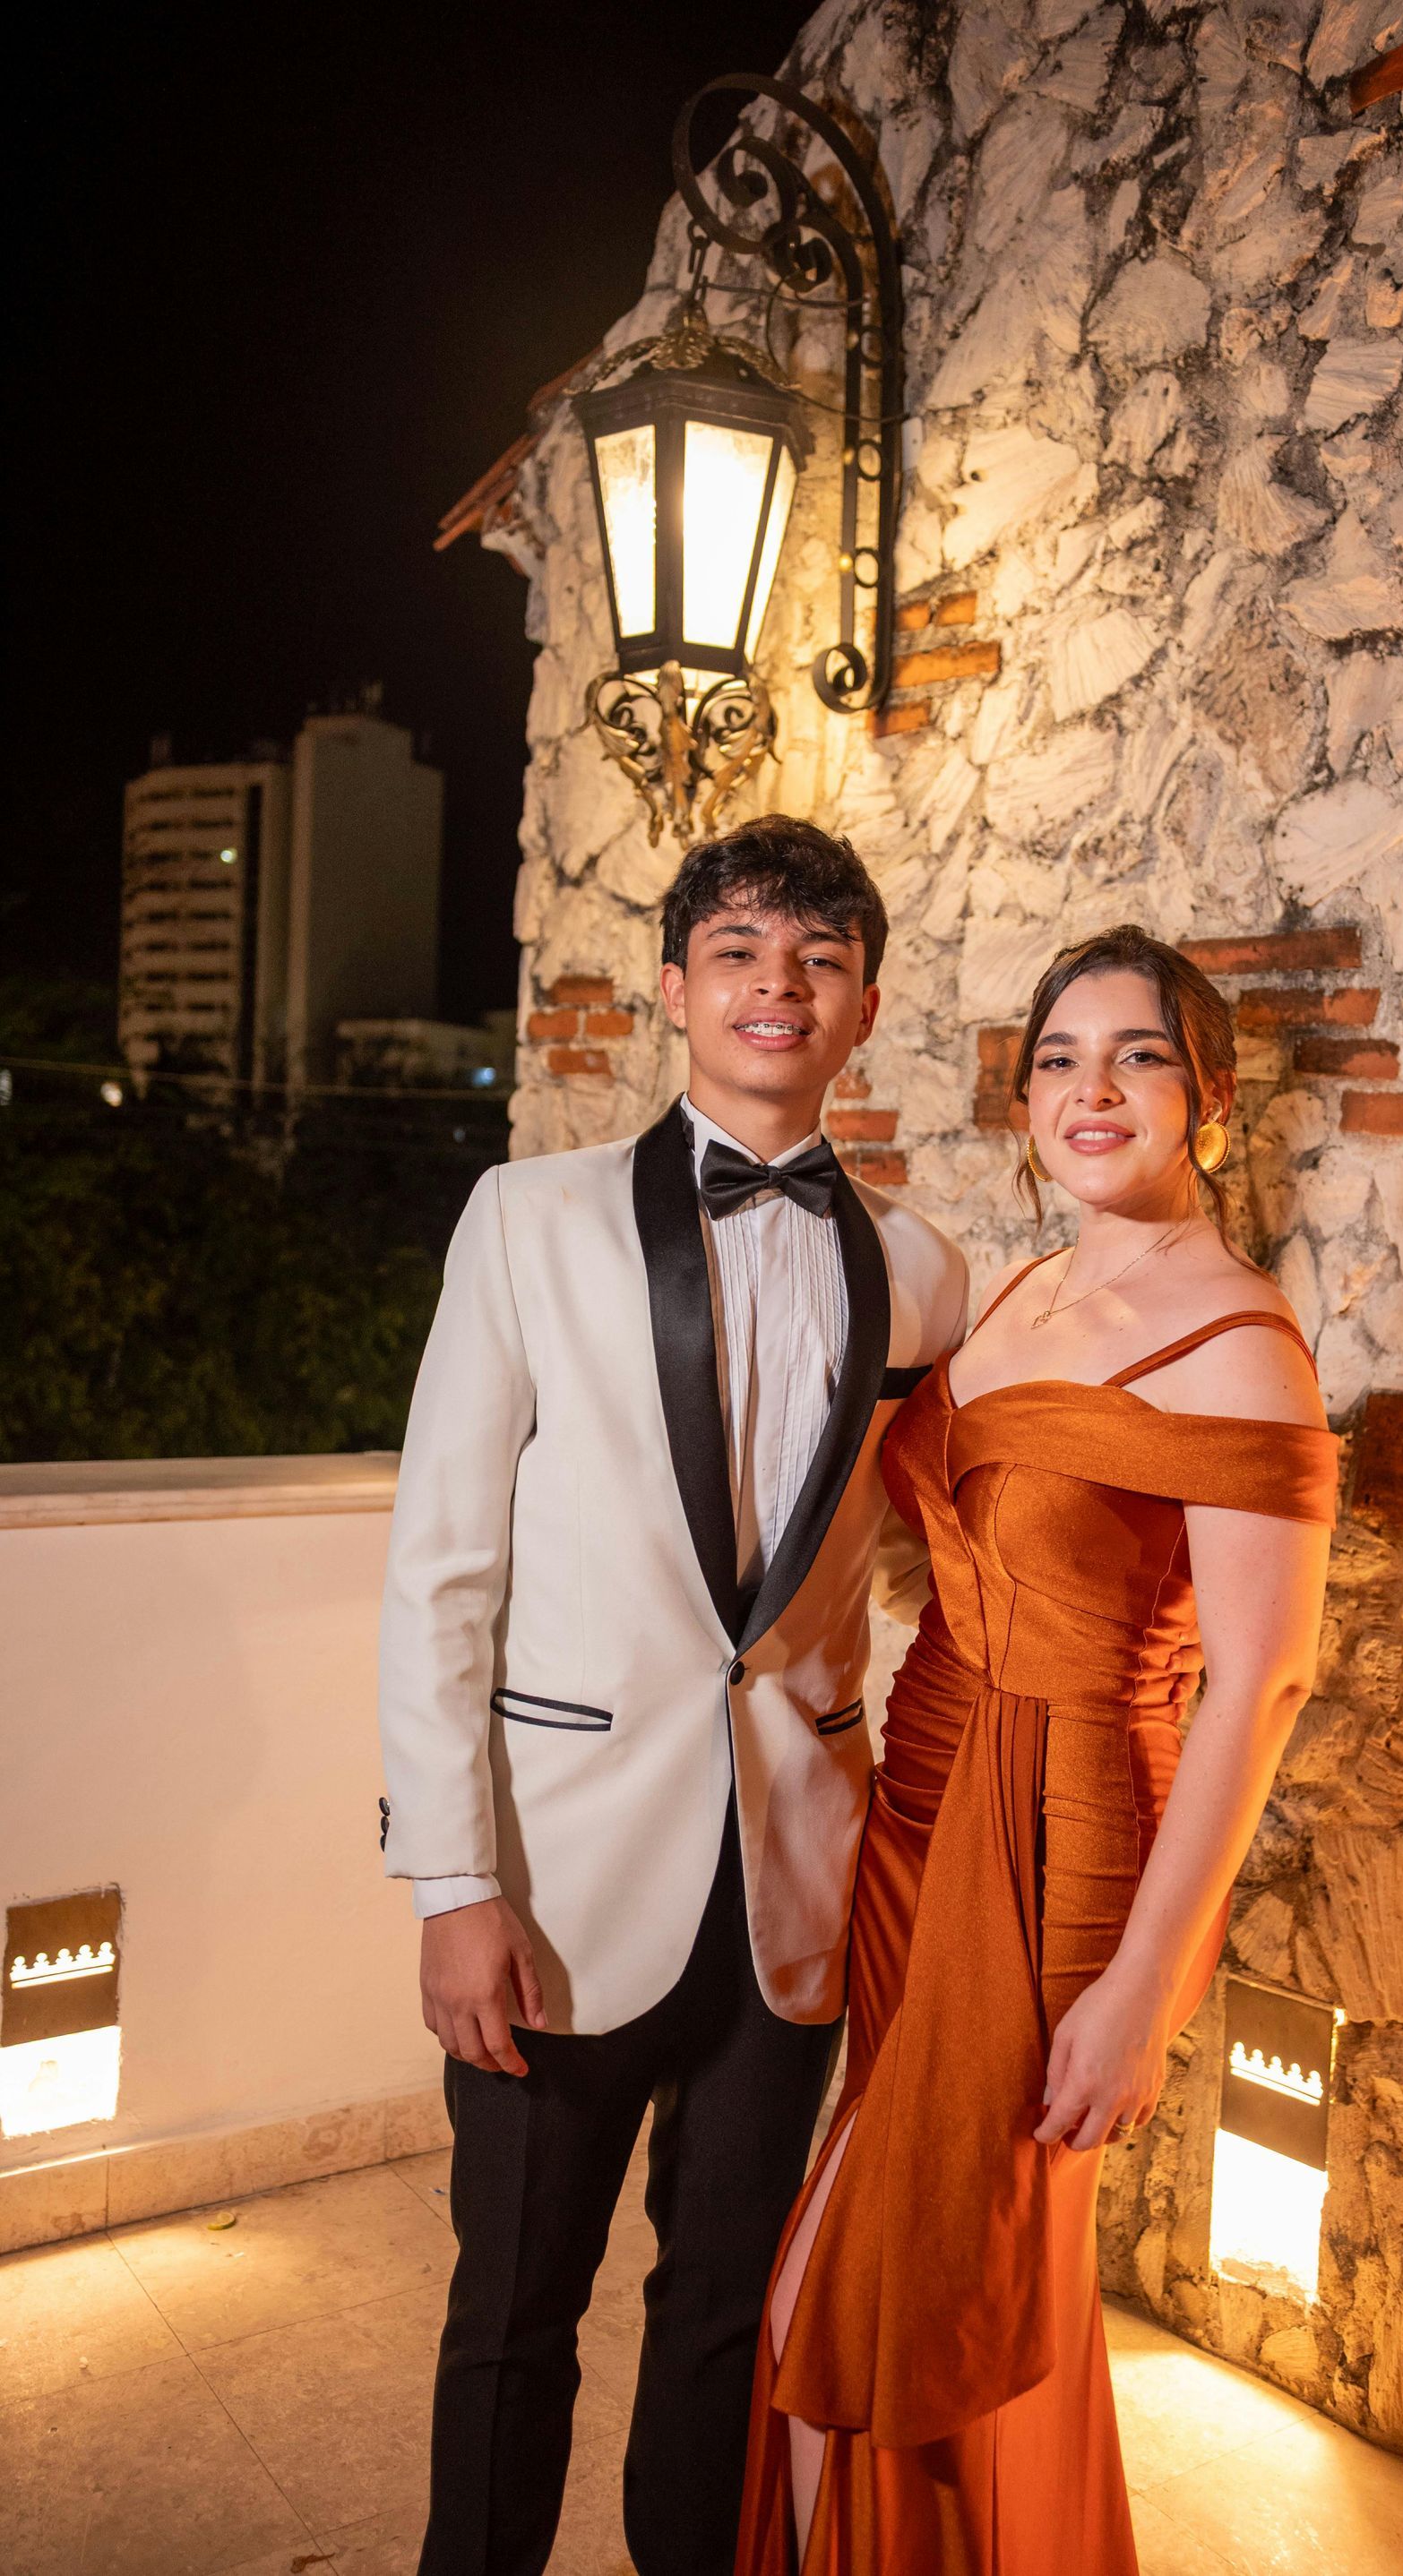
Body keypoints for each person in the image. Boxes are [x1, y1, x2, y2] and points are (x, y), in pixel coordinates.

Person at [376, 814, 968, 2576]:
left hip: (795, 1882)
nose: (777, 985)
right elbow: (440, 1572)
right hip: (556, 1881)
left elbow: (949, 1545)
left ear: (862, 1003)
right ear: (676, 989)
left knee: (725, 2313)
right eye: (740, 952)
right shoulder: (528, 1220)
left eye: (819, 957)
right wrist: (453, 1882)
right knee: (512, 2316)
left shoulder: (923, 1273)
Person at [736, 923, 1338, 2574]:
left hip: (1062, 1838)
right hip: (914, 1808)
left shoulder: (1243, 1344)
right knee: (947, 2276)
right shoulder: (1015, 1289)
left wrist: (1145, 1989)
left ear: (1204, 1096)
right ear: (1024, 1100)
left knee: (868, 2282)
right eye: (1059, 1060)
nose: (1093, 1090)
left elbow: (1262, 1684)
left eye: (1138, 1056)